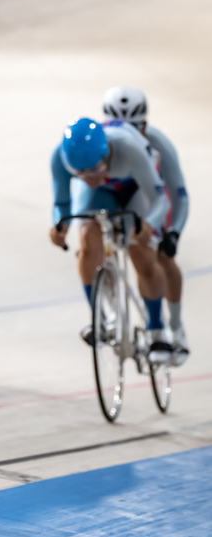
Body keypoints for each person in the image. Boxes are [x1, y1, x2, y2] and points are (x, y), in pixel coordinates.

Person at [49, 117, 173, 362]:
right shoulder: (60, 159)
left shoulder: (129, 149)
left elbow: (161, 200)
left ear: (108, 154)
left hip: (136, 190)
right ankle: (100, 319)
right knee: (87, 238)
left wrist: (148, 225)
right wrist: (59, 226)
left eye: (95, 169)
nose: (89, 177)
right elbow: (62, 204)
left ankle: (158, 330)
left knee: (141, 252)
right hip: (100, 195)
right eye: (80, 174)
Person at [103, 86, 189, 365]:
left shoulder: (159, 145)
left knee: (159, 255)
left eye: (134, 127)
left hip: (150, 197)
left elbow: (178, 194)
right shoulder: (101, 143)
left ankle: (174, 328)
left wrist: (173, 232)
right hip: (117, 197)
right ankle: (108, 310)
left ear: (145, 126)